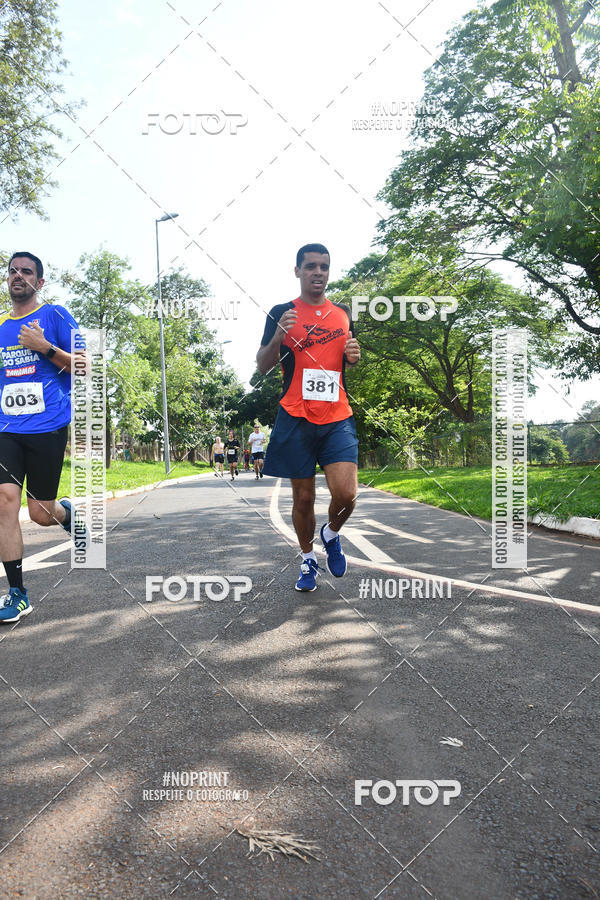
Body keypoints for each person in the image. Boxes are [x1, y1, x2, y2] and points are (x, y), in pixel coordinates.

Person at [257, 243, 360, 592]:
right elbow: (263, 365)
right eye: (311, 266)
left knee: (346, 494)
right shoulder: (282, 311)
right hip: (296, 415)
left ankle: (330, 533)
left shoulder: (343, 313)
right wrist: (278, 337)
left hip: (337, 415)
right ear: (298, 270)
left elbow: (347, 358)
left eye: (324, 267)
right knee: (303, 499)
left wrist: (354, 356)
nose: (318, 272)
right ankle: (307, 559)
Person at [0, 252, 83, 624]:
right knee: (4, 501)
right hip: (6, 429)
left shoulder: (55, 316)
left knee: (40, 512)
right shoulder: (1, 326)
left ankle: (66, 514)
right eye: (12, 270)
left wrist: (44, 347)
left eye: (26, 271)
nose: (18, 275)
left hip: (48, 427)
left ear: (40, 281)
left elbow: (87, 365)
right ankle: (18, 593)